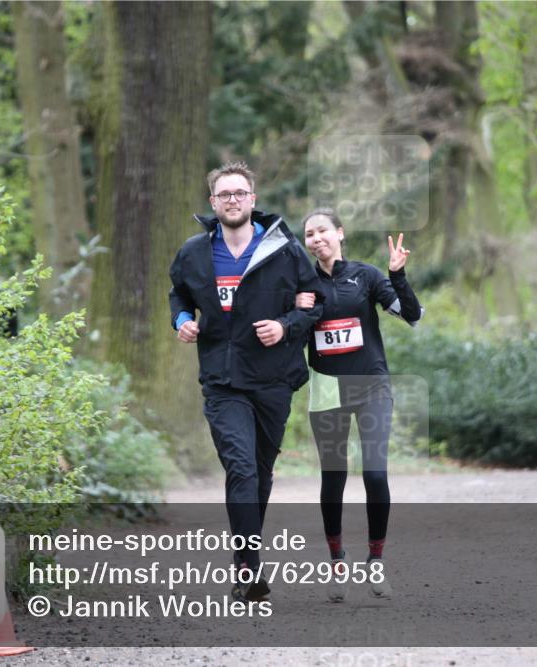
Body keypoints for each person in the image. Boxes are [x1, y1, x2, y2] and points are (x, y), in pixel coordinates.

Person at [169, 162, 323, 603]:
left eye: (240, 193)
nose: (232, 200)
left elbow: (314, 304)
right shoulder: (194, 252)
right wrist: (182, 320)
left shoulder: (284, 249)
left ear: (253, 200)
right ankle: (248, 570)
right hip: (223, 380)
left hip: (273, 378)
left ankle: (246, 557)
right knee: (241, 467)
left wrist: (285, 325)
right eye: (224, 194)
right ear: (213, 202)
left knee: (260, 473)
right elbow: (178, 294)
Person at [295, 208, 423, 602]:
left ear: (340, 233)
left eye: (322, 230)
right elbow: (289, 332)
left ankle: (375, 560)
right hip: (327, 389)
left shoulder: (365, 276)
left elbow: (412, 315)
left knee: (375, 475)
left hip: (371, 386)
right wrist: (298, 309)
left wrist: (397, 275)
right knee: (333, 478)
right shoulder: (300, 283)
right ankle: (337, 561)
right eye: (309, 234)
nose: (316, 238)